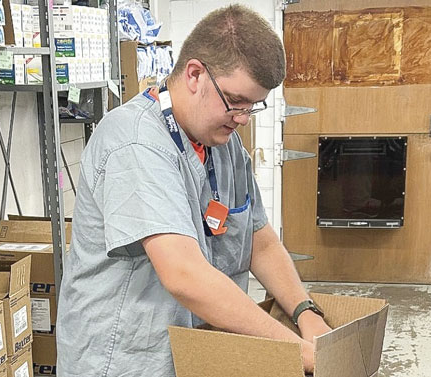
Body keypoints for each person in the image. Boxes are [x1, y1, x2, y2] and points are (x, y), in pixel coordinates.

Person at [57, 5, 331, 376]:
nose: (243, 118)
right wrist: (297, 352)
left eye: (253, 106)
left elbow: (258, 240)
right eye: (235, 102)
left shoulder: (223, 143)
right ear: (195, 74)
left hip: (192, 355)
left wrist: (306, 313)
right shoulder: (135, 143)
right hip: (125, 360)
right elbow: (184, 274)